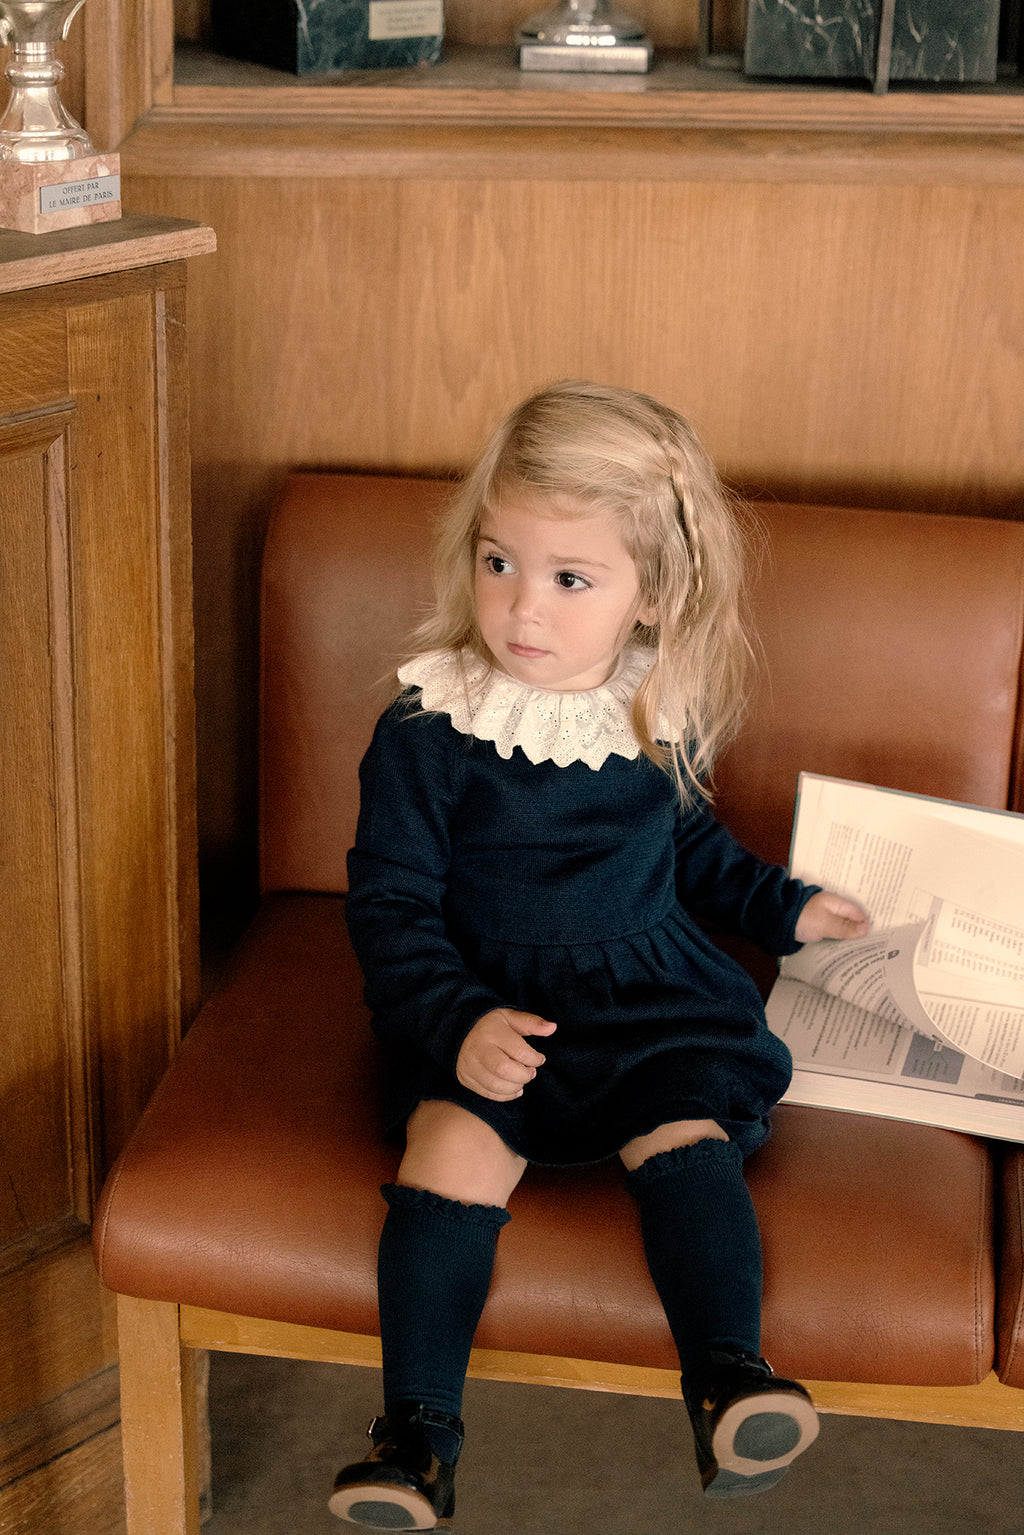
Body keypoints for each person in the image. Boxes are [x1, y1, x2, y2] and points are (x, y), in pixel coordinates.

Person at [330, 381, 869, 1528]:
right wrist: (458, 1020)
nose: (523, 605)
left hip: (649, 1001)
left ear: (652, 596)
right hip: (486, 1010)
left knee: (688, 1134)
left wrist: (787, 909)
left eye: (570, 577)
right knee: (447, 1156)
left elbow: (692, 851)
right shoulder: (427, 729)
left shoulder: (650, 707)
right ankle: (415, 1436)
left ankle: (728, 1375)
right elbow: (388, 905)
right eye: (498, 561)